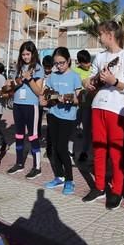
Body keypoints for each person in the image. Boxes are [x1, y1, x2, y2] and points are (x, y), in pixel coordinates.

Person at [82, 21, 124, 209]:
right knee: (98, 150)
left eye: (101, 34)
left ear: (110, 34)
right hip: (97, 106)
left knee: (116, 152)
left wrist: (114, 81)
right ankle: (99, 187)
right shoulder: (99, 56)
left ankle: (117, 190)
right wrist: (87, 83)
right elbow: (89, 77)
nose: (99, 37)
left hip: (116, 109)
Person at [42, 47, 82, 195]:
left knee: (62, 148)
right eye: (56, 63)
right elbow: (45, 93)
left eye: (62, 63)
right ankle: (59, 177)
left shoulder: (74, 76)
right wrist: (50, 96)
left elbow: (80, 99)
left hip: (67, 117)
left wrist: (68, 99)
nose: (59, 66)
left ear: (69, 61)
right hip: (53, 114)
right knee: (52, 149)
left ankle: (70, 180)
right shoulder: (52, 76)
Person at [8, 41, 45, 178]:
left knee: (33, 135)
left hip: (31, 106)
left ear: (33, 53)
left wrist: (29, 79)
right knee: (18, 135)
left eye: (28, 54)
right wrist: (15, 82)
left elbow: (39, 91)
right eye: (23, 54)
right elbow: (13, 87)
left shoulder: (38, 68)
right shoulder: (18, 68)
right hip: (17, 105)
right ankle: (19, 163)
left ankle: (37, 167)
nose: (25, 57)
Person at [72, 50, 93, 162]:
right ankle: (72, 150)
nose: (88, 64)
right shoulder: (75, 71)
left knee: (86, 129)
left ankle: (84, 152)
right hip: (77, 105)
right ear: (79, 63)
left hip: (88, 105)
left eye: (89, 61)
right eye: (85, 63)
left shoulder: (93, 70)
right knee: (72, 128)